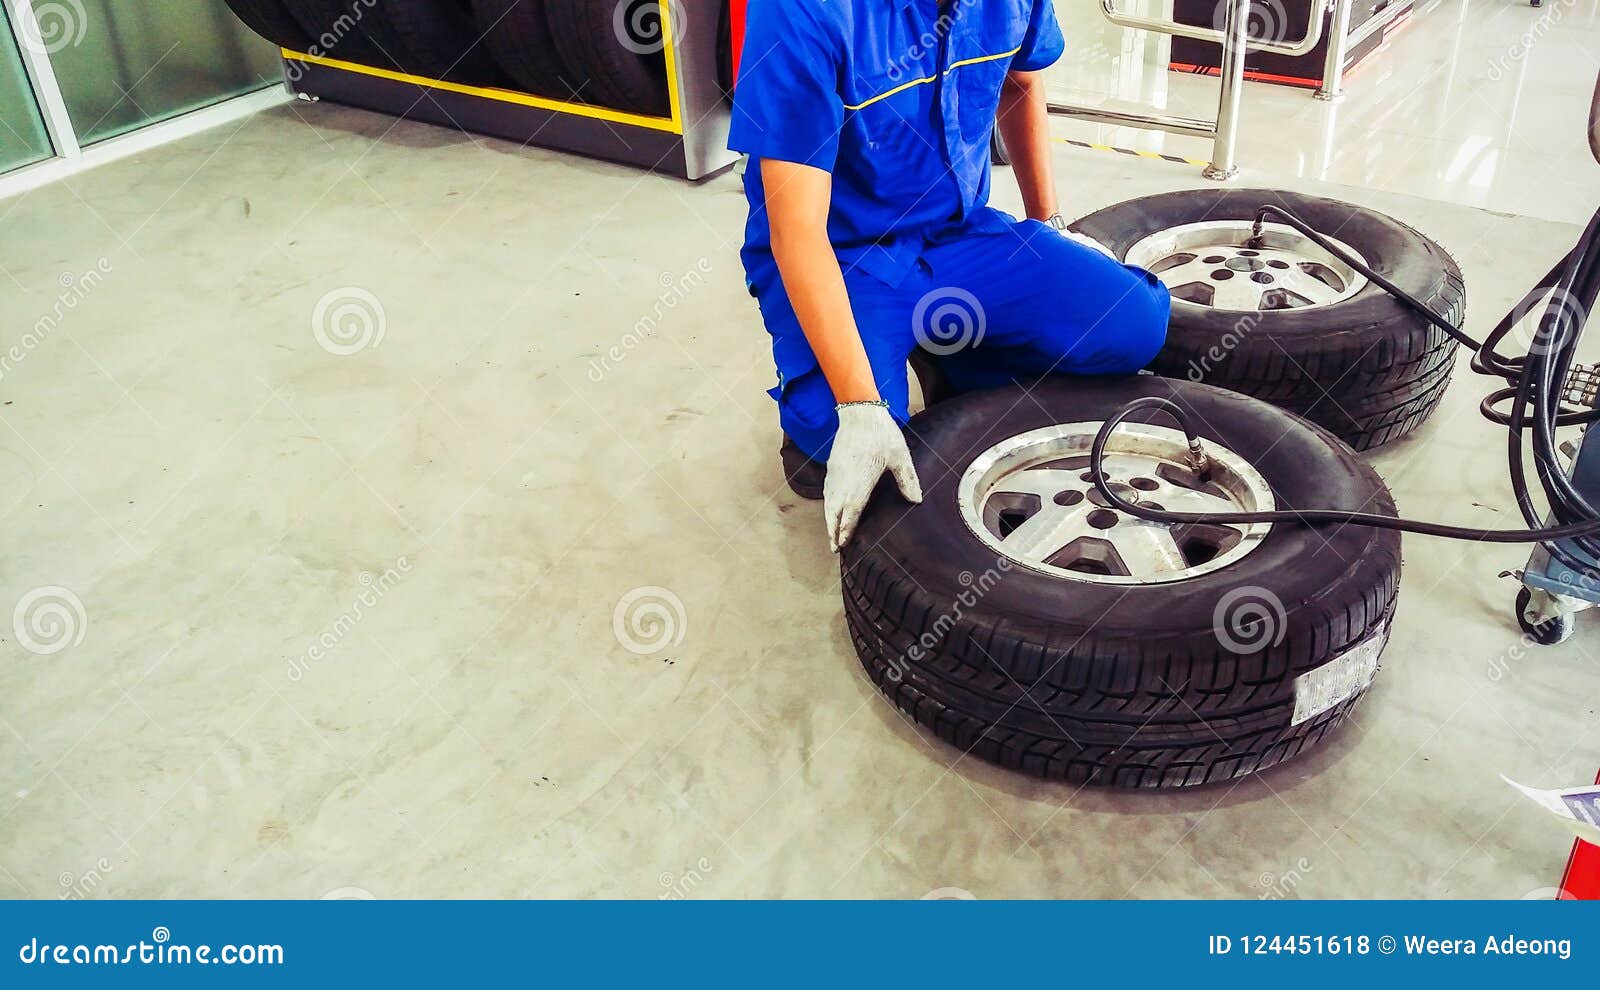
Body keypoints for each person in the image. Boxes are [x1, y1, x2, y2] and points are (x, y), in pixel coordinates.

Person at [729, 0, 1172, 551]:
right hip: (847, 257)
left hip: (960, 235)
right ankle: (877, 381)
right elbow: (797, 235)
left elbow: (1020, 85)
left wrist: (1046, 222)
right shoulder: (803, 11)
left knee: (1134, 323)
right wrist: (860, 408)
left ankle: (952, 354)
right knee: (835, 435)